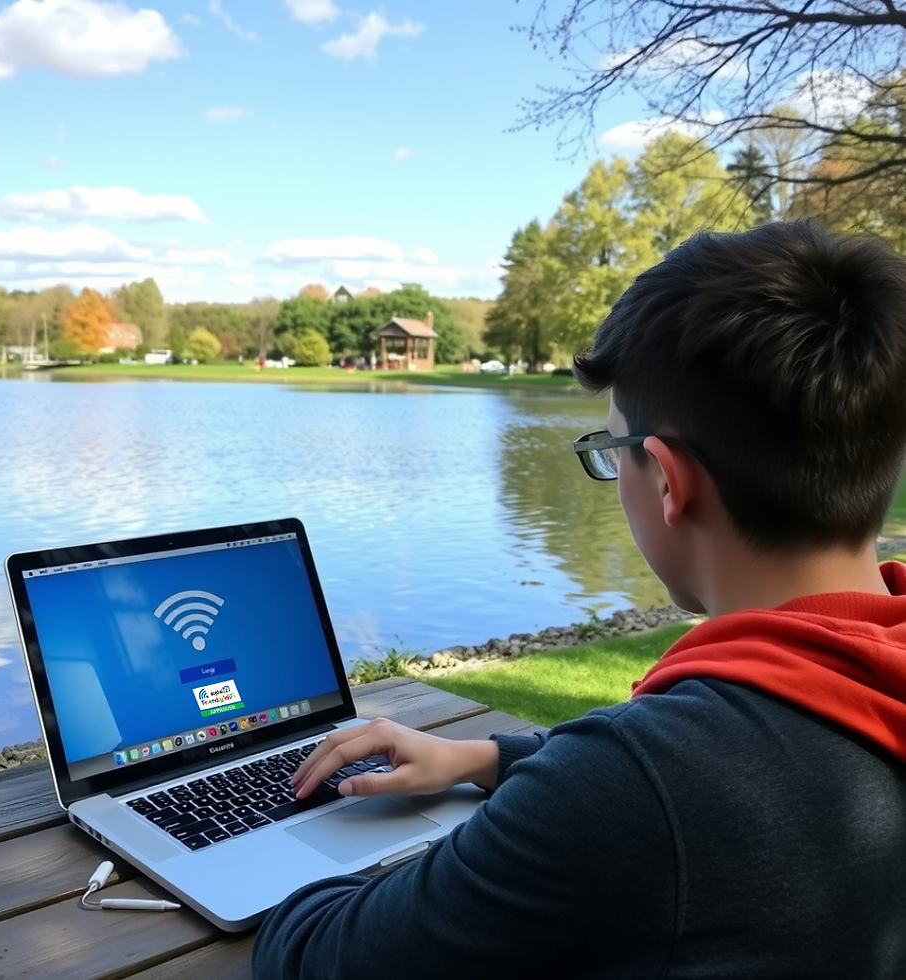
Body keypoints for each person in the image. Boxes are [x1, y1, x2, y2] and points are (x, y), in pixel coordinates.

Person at [250, 221, 906, 978]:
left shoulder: (641, 789)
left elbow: (322, 961)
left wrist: (269, 858)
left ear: (665, 479)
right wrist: (488, 757)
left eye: (610, 450)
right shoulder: (859, 684)